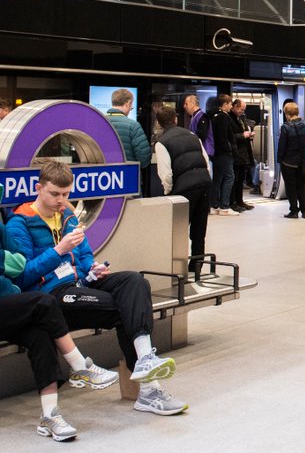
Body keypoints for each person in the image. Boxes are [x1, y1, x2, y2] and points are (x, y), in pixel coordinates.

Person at [5, 162, 187, 414]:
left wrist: (93, 268)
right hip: (53, 296)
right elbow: (23, 277)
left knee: (135, 281)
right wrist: (59, 250)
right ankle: (148, 390)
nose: (61, 200)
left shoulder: (68, 216)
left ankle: (146, 359)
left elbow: (84, 256)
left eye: (66, 194)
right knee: (126, 309)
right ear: (39, 188)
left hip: (80, 285)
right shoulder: (19, 223)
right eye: (54, 194)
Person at [0, 253, 120, 441]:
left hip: (11, 305)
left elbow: (19, 263)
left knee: (40, 334)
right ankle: (80, 366)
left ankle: (49, 415)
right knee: (45, 301)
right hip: (7, 304)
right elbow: (12, 263)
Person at [154, 107, 213, 279]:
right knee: (199, 231)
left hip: (184, 191)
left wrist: (169, 192)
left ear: (159, 123)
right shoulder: (193, 136)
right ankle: (196, 268)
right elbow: (206, 161)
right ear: (175, 119)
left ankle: (178, 271)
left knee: (178, 231)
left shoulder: (162, 142)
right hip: (204, 184)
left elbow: (166, 174)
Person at [201, 94, 239, 216]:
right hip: (224, 153)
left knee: (217, 178)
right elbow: (224, 137)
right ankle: (225, 207)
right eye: (230, 104)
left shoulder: (212, 115)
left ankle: (214, 205)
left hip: (215, 153)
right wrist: (230, 149)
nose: (231, 106)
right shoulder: (223, 117)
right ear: (225, 104)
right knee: (229, 177)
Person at [278, 102, 305, 220]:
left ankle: (294, 211)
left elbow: (282, 146)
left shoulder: (285, 127)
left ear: (287, 114)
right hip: (302, 161)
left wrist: (280, 159)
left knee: (290, 187)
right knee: (302, 186)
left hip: (288, 162)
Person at [106, 88, 151, 173]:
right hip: (128, 175)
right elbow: (144, 159)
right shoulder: (133, 126)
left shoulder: (98, 123)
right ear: (128, 103)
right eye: (131, 107)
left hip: (104, 175)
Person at [230, 99, 256, 213]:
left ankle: (240, 201)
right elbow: (229, 136)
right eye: (241, 109)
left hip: (244, 153)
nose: (243, 111)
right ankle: (233, 202)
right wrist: (242, 135)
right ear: (235, 106)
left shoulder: (241, 118)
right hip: (235, 153)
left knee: (241, 179)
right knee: (234, 180)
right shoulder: (229, 118)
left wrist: (249, 135)